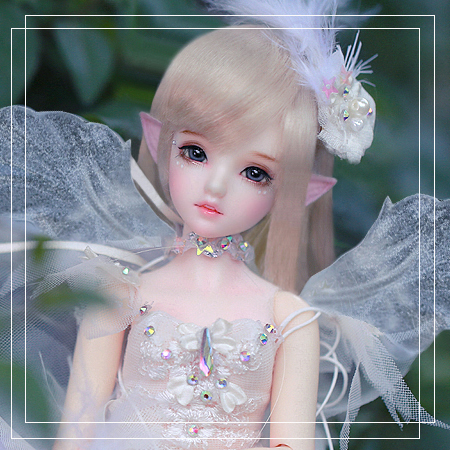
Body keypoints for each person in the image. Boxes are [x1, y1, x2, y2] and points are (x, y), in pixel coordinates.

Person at [0, 2, 449, 450]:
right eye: (195, 152)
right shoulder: (120, 291)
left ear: (299, 192)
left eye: (256, 173)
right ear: (159, 143)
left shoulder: (288, 316)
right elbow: (77, 430)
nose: (215, 186)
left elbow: (291, 443)